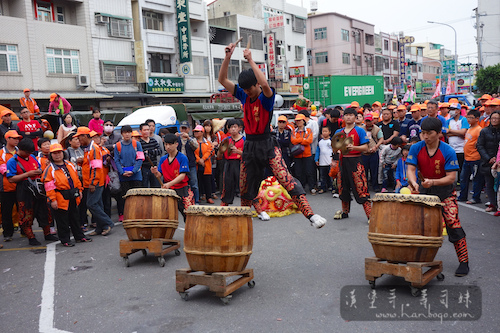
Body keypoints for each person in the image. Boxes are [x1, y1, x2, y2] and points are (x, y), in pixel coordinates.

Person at [219, 42, 326, 227]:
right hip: (250, 147)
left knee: (286, 178)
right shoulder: (244, 95)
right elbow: (222, 80)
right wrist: (228, 57)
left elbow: (265, 83)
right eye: (243, 89)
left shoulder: (266, 98)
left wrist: (251, 60)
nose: (245, 92)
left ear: (256, 85)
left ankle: (311, 215)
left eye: (249, 88)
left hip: (267, 145)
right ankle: (243, 230)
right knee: (245, 189)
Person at [407, 117, 470, 277]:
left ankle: (464, 262)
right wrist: (414, 182)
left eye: (429, 133)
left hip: (445, 193)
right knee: (421, 227)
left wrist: (433, 182)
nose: (425, 136)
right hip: (424, 192)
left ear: (439, 133)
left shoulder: (447, 150)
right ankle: (425, 262)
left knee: (453, 224)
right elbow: (411, 169)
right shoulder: (416, 148)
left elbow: (451, 178)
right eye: (423, 133)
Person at [6, 138, 58, 245]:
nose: (28, 154)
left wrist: (39, 171)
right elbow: (11, 178)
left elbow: (39, 168)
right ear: (20, 149)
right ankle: (31, 237)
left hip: (37, 188)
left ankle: (47, 234)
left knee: (44, 211)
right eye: (27, 152)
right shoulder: (12, 161)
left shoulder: (32, 157)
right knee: (26, 214)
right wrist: (27, 174)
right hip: (24, 190)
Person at [42, 144, 92, 247]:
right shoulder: (49, 169)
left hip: (72, 194)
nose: (57, 155)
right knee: (62, 221)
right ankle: (65, 240)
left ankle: (79, 236)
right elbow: (49, 186)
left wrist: (80, 190)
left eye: (59, 152)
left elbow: (76, 179)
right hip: (60, 196)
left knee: (75, 217)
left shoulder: (69, 164)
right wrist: (53, 200)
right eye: (54, 153)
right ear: (51, 155)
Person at [333, 108, 371, 222]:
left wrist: (353, 147)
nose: (348, 117)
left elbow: (365, 148)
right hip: (342, 161)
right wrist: (337, 150)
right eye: (346, 115)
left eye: (351, 115)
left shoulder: (360, 131)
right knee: (342, 187)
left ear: (355, 117)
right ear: (343, 117)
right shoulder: (338, 132)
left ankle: (370, 215)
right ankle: (345, 212)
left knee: (361, 187)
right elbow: (334, 148)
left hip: (355, 161)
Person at [74, 127, 114, 236]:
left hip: (95, 182)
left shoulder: (94, 149)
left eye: (79, 137)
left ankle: (108, 222)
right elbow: (89, 165)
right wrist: (81, 163)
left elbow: (96, 168)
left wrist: (92, 182)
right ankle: (101, 228)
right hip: (91, 182)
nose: (78, 140)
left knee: (91, 204)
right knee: (97, 204)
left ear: (85, 136)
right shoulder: (88, 149)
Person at [152, 133, 194, 221]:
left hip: (182, 189)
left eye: (170, 144)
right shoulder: (163, 159)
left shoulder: (182, 158)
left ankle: (191, 233)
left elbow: (182, 176)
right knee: (165, 215)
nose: (168, 147)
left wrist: (168, 184)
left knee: (188, 214)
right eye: (166, 144)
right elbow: (160, 174)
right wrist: (155, 172)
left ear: (176, 144)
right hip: (169, 190)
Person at [457, 110, 484, 204]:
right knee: (463, 179)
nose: (469, 119)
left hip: (475, 159)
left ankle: (475, 198)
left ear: (477, 119)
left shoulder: (479, 130)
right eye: (467, 117)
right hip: (467, 158)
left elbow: (480, 144)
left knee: (476, 179)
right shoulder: (469, 128)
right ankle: (463, 196)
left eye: (471, 118)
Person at [476, 111, 500, 212]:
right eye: (492, 118)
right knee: (489, 184)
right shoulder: (484, 131)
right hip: (487, 161)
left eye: (497, 118)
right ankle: (492, 204)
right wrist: (488, 158)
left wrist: (497, 159)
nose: (494, 120)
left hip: (498, 161)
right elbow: (480, 145)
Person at [0, 130, 21, 242]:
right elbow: (3, 169)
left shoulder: (20, 152)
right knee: (6, 211)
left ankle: (25, 230)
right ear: (7, 139)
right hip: (6, 187)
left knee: (22, 209)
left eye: (18, 138)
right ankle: (8, 233)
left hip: (21, 185)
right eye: (14, 138)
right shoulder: (1, 153)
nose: (17, 140)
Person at [218, 119, 245, 206]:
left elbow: (249, 155)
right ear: (228, 129)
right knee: (227, 186)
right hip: (228, 164)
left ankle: (251, 206)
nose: (233, 129)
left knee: (244, 186)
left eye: (235, 127)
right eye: (231, 127)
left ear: (239, 128)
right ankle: (224, 205)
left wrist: (238, 151)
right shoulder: (226, 140)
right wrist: (220, 149)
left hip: (240, 164)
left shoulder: (244, 140)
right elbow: (219, 156)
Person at [114, 125, 144, 196]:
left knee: (137, 196)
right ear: (122, 134)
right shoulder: (117, 146)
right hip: (123, 175)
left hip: (136, 175)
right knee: (126, 197)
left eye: (128, 132)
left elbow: (140, 159)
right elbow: (117, 160)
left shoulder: (137, 144)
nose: (127, 134)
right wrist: (121, 172)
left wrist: (133, 171)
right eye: (125, 132)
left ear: (131, 133)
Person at [291, 113, 315, 194]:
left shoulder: (308, 130)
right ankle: (301, 188)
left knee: (309, 171)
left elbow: (309, 141)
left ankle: (312, 188)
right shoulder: (294, 131)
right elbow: (293, 141)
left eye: (299, 120)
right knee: (298, 172)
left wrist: (299, 140)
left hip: (307, 154)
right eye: (296, 121)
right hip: (297, 155)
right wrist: (303, 139)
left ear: (304, 121)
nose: (298, 122)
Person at [176, 120, 199, 204]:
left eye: (185, 129)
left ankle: (196, 201)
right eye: (182, 128)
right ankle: (182, 201)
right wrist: (175, 138)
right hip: (179, 164)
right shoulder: (177, 139)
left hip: (190, 164)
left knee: (194, 184)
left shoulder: (192, 139)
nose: (184, 131)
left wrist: (188, 138)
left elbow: (196, 147)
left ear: (189, 129)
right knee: (180, 183)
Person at [360, 114, 383, 192]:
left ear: (373, 121)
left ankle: (375, 186)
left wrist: (376, 147)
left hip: (374, 152)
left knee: (374, 171)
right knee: (364, 171)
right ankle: (364, 186)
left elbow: (381, 139)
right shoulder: (361, 129)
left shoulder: (377, 129)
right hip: (364, 153)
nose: (368, 122)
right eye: (367, 121)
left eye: (369, 121)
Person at [445, 103, 469, 175]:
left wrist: (450, 131)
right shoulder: (448, 121)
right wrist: (458, 133)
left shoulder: (463, 120)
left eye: (453, 109)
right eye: (450, 109)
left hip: (461, 148)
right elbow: (446, 133)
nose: (451, 111)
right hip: (452, 148)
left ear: (458, 111)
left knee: (462, 168)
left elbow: (463, 132)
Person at [194, 125, 214, 204]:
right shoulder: (193, 142)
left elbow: (210, 151)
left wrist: (203, 159)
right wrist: (199, 160)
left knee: (207, 182)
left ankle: (208, 197)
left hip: (206, 165)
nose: (196, 133)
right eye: (195, 131)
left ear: (202, 132)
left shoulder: (207, 142)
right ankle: (198, 197)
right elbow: (193, 153)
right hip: (197, 165)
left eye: (197, 131)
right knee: (197, 182)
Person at [138, 123, 161, 188]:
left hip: (154, 167)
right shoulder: (139, 143)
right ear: (140, 131)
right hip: (144, 168)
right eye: (144, 130)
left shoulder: (153, 141)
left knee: (156, 187)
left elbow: (159, 151)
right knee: (144, 187)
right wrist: (152, 152)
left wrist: (149, 152)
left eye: (148, 130)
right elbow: (142, 155)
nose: (147, 131)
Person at [315, 126, 333, 194]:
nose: (324, 133)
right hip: (322, 162)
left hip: (330, 161)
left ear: (329, 132)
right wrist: (316, 159)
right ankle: (323, 188)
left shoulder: (331, 141)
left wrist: (333, 160)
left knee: (331, 175)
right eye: (323, 131)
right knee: (322, 176)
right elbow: (318, 151)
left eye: (326, 131)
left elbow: (334, 150)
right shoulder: (320, 141)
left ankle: (332, 187)